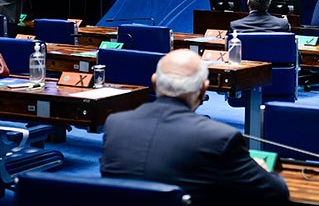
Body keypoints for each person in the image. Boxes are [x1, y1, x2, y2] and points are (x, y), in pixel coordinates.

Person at [100, 49, 289, 206]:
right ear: (203, 90)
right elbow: (276, 193)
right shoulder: (220, 138)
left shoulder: (116, 125)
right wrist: (261, 170)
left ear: (154, 82)